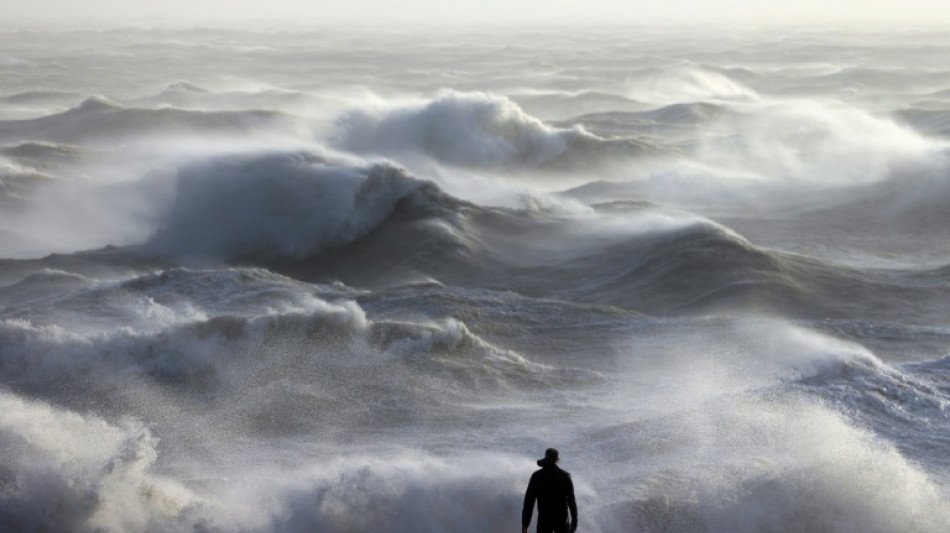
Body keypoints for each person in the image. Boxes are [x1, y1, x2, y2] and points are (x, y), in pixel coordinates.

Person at [522, 448, 578, 533]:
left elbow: (529, 502)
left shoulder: (537, 476)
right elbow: (571, 501)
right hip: (561, 521)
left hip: (544, 521)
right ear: (557, 459)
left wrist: (525, 524)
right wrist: (574, 523)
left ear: (545, 457)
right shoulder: (565, 476)